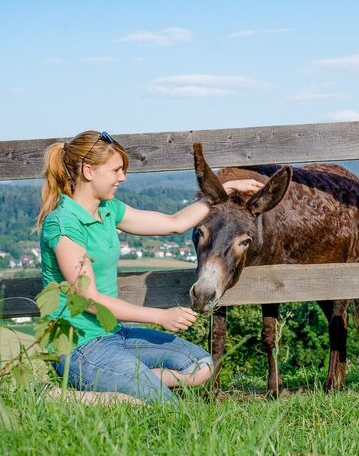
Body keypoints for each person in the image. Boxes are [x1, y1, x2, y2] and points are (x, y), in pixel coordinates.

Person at [36, 130, 262, 403]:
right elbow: (90, 301)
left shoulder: (108, 209)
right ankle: (68, 398)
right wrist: (160, 317)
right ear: (88, 171)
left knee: (201, 366)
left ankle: (126, 385)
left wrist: (227, 189)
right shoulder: (64, 224)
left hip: (113, 335)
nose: (123, 178)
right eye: (116, 170)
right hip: (77, 347)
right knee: (167, 407)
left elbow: (174, 223)